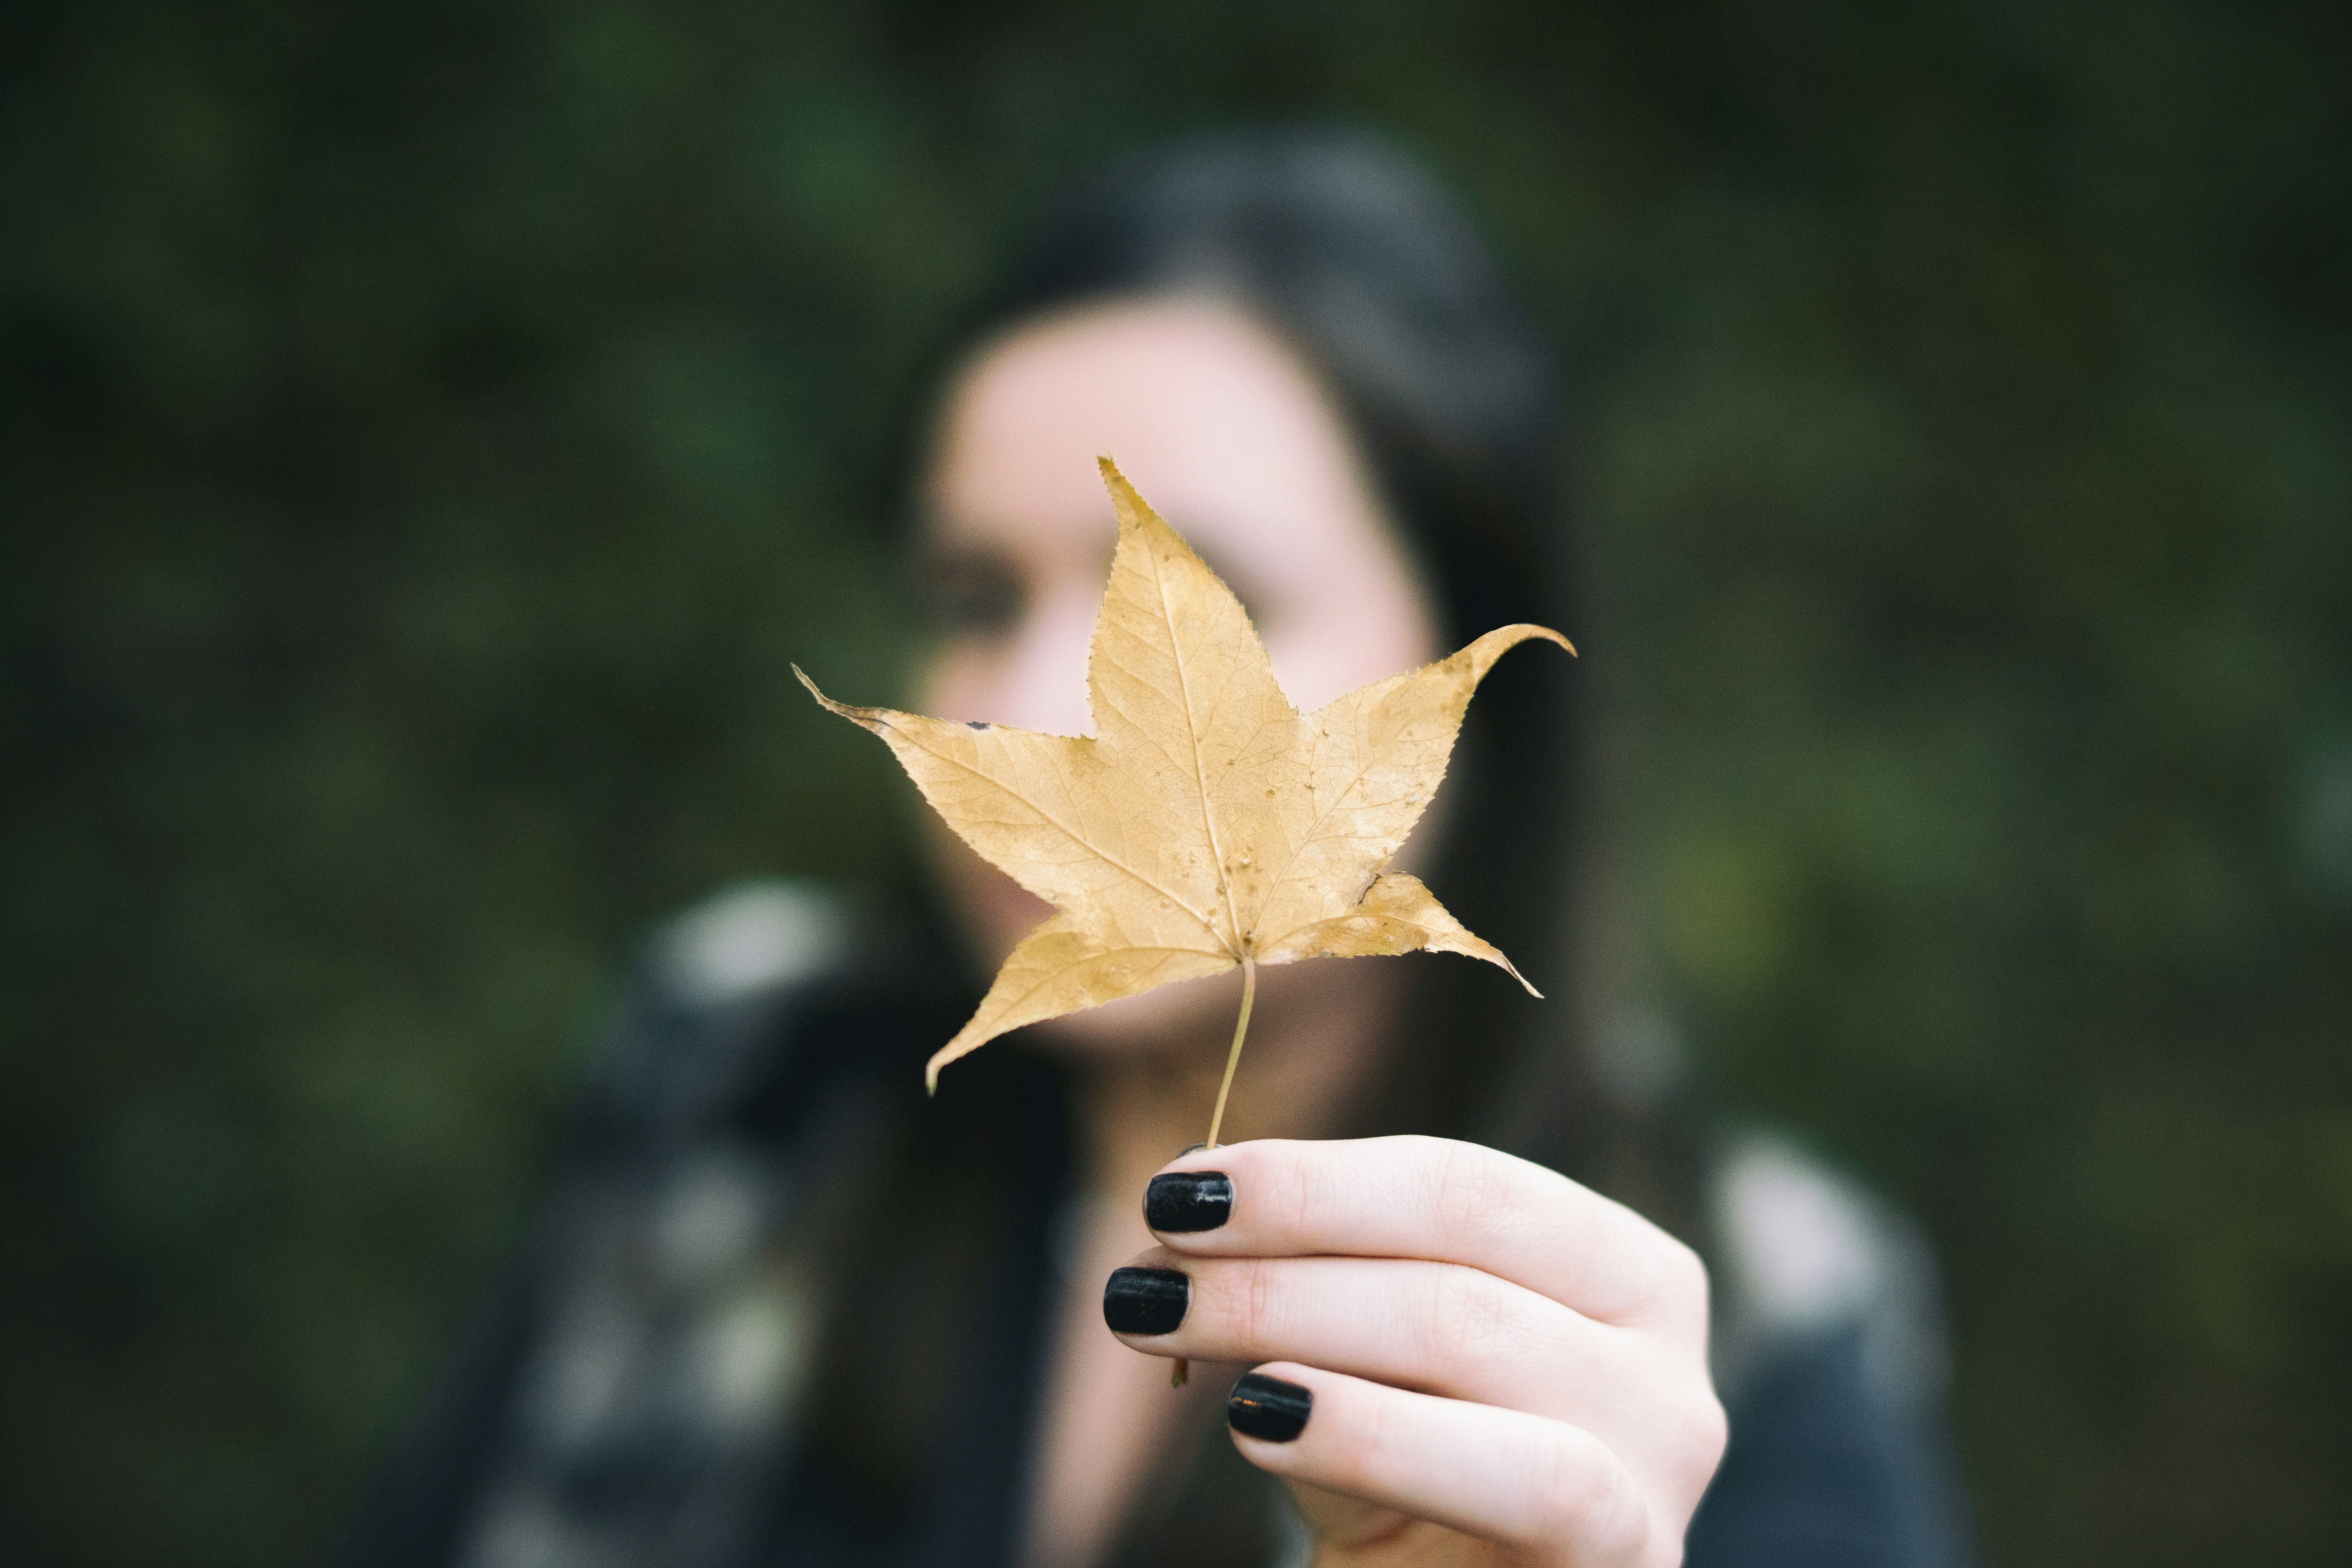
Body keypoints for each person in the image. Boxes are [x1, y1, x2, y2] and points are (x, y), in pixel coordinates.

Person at [339, 125, 1972, 1568]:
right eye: (975, 599)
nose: (1027, 708)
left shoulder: (1737, 1328)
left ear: (1468, 681)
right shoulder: (749, 1083)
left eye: (1209, 602)